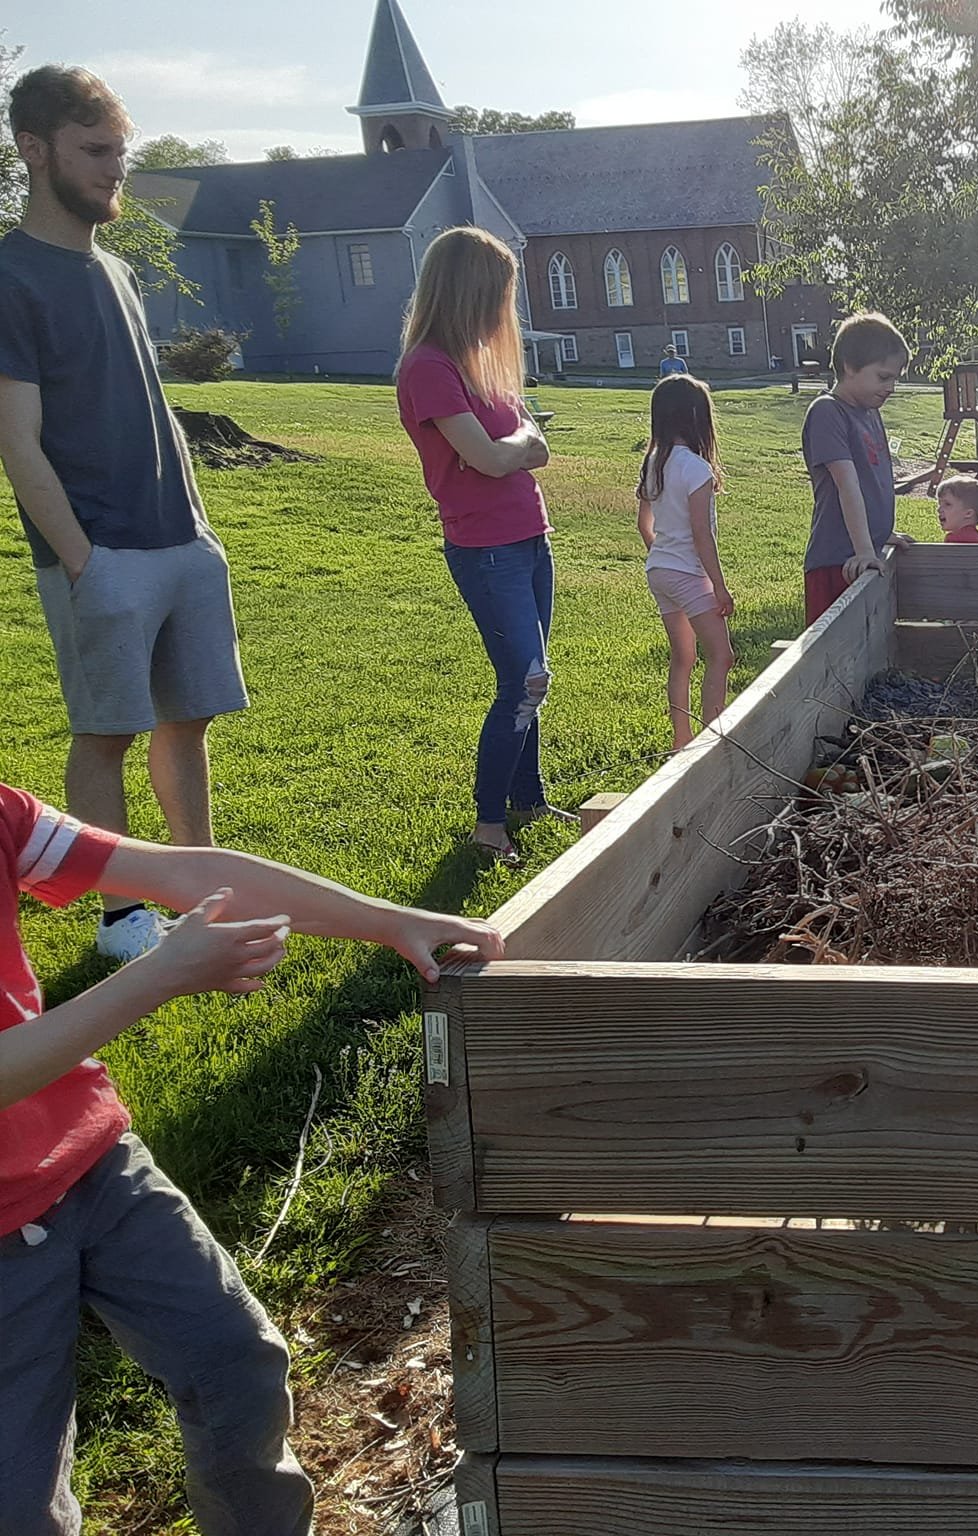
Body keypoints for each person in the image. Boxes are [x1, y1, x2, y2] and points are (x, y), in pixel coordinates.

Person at [0, 778, 503, 1536]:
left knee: (234, 1363)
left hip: (92, 1162)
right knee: (18, 1495)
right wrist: (161, 974)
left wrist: (391, 922)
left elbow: (192, 874)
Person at [0, 66, 250, 963]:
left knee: (190, 722)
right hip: (99, 553)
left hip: (180, 539)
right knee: (105, 732)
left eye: (121, 151)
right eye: (96, 152)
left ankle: (200, 894)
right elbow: (18, 443)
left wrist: (201, 527)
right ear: (35, 150)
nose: (116, 171)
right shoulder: (10, 276)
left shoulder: (117, 270)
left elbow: (151, 406)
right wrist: (81, 560)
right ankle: (121, 921)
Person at [396, 226, 567, 866]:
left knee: (532, 680)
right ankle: (489, 826)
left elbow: (528, 449)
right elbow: (494, 456)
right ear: (469, 290)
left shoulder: (480, 366)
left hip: (529, 538)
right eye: (499, 292)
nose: (505, 309)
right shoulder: (430, 369)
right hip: (486, 549)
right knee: (524, 680)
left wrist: (516, 450)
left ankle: (529, 800)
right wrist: (518, 448)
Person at [637, 373, 736, 752]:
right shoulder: (696, 469)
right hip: (687, 573)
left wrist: (660, 558)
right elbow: (701, 534)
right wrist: (720, 586)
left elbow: (643, 525)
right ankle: (712, 741)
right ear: (698, 419)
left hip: (659, 569)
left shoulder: (653, 463)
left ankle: (682, 740)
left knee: (683, 657)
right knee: (721, 656)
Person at [801, 312, 914, 625]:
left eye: (895, 378)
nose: (891, 387)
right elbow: (846, 484)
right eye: (883, 377)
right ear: (850, 367)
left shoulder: (868, 411)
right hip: (838, 560)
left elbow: (872, 480)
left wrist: (880, 534)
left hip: (864, 552)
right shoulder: (828, 412)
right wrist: (864, 550)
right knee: (830, 658)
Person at [936, 474, 978, 544]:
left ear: (968, 513)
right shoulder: (973, 536)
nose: (939, 509)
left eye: (947, 504)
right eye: (940, 504)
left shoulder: (959, 539)